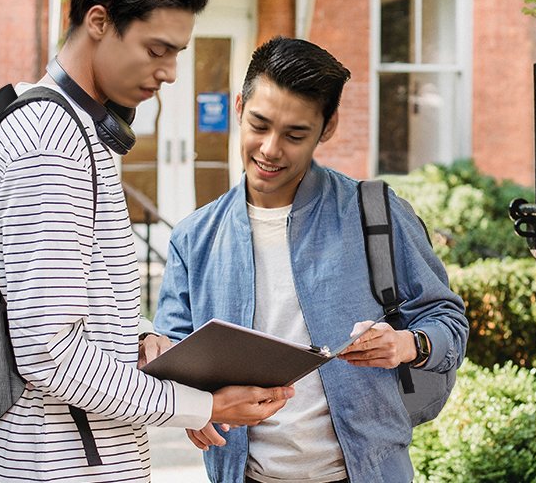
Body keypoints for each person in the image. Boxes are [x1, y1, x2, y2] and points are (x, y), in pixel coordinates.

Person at [0, 0, 293, 483]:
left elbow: (73, 316)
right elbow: (48, 352)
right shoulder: (50, 139)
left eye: (177, 52)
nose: (170, 71)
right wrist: (202, 406)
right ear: (99, 21)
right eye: (157, 49)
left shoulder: (75, 130)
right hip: (59, 469)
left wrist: (141, 341)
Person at [153, 36, 469, 483]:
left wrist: (404, 344)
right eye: (259, 125)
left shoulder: (373, 212)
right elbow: (172, 358)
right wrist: (191, 408)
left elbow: (449, 322)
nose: (269, 149)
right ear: (240, 106)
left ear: (328, 126)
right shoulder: (194, 238)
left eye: (295, 134)